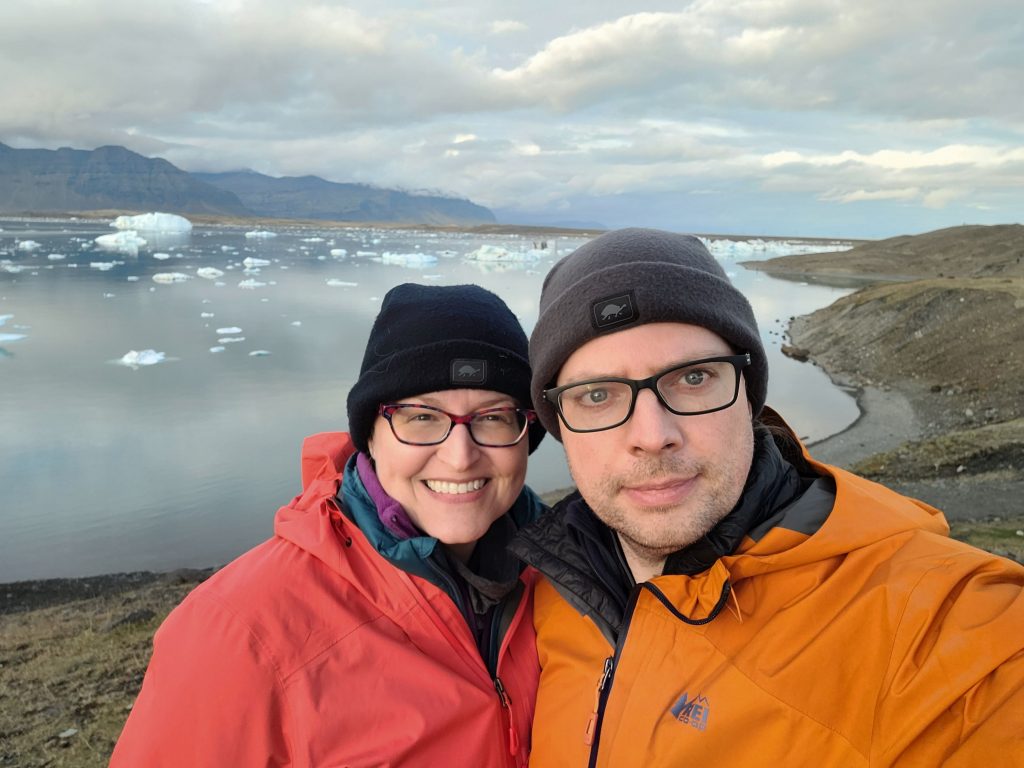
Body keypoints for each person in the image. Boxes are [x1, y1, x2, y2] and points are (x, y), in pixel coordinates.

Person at [508, 228, 1024, 767]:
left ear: (748, 396)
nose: (652, 433)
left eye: (694, 377)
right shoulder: (547, 593)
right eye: (596, 395)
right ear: (559, 422)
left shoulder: (942, 628)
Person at [111, 283, 546, 767]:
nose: (460, 456)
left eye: (494, 417)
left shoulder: (565, 583)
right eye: (421, 416)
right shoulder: (239, 633)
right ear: (370, 438)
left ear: (526, 433)